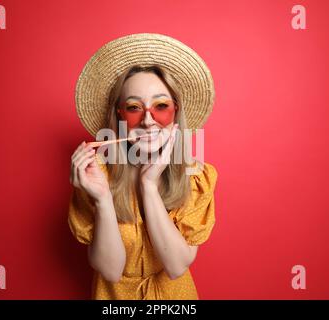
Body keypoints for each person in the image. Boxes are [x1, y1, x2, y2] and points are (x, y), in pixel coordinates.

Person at [68, 33, 218, 300]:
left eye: (161, 105)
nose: (148, 121)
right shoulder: (96, 176)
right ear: (120, 115)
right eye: (135, 107)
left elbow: (176, 266)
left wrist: (148, 185)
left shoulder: (196, 177)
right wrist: (102, 199)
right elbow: (110, 271)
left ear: (175, 113)